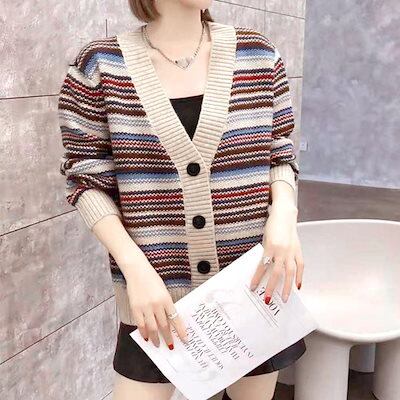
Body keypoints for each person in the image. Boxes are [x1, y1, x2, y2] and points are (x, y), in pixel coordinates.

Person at [57, 1, 306, 399]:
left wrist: (284, 216)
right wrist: (136, 271)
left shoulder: (258, 55)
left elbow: (279, 152)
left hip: (251, 289)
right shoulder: (99, 67)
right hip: (154, 299)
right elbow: (87, 180)